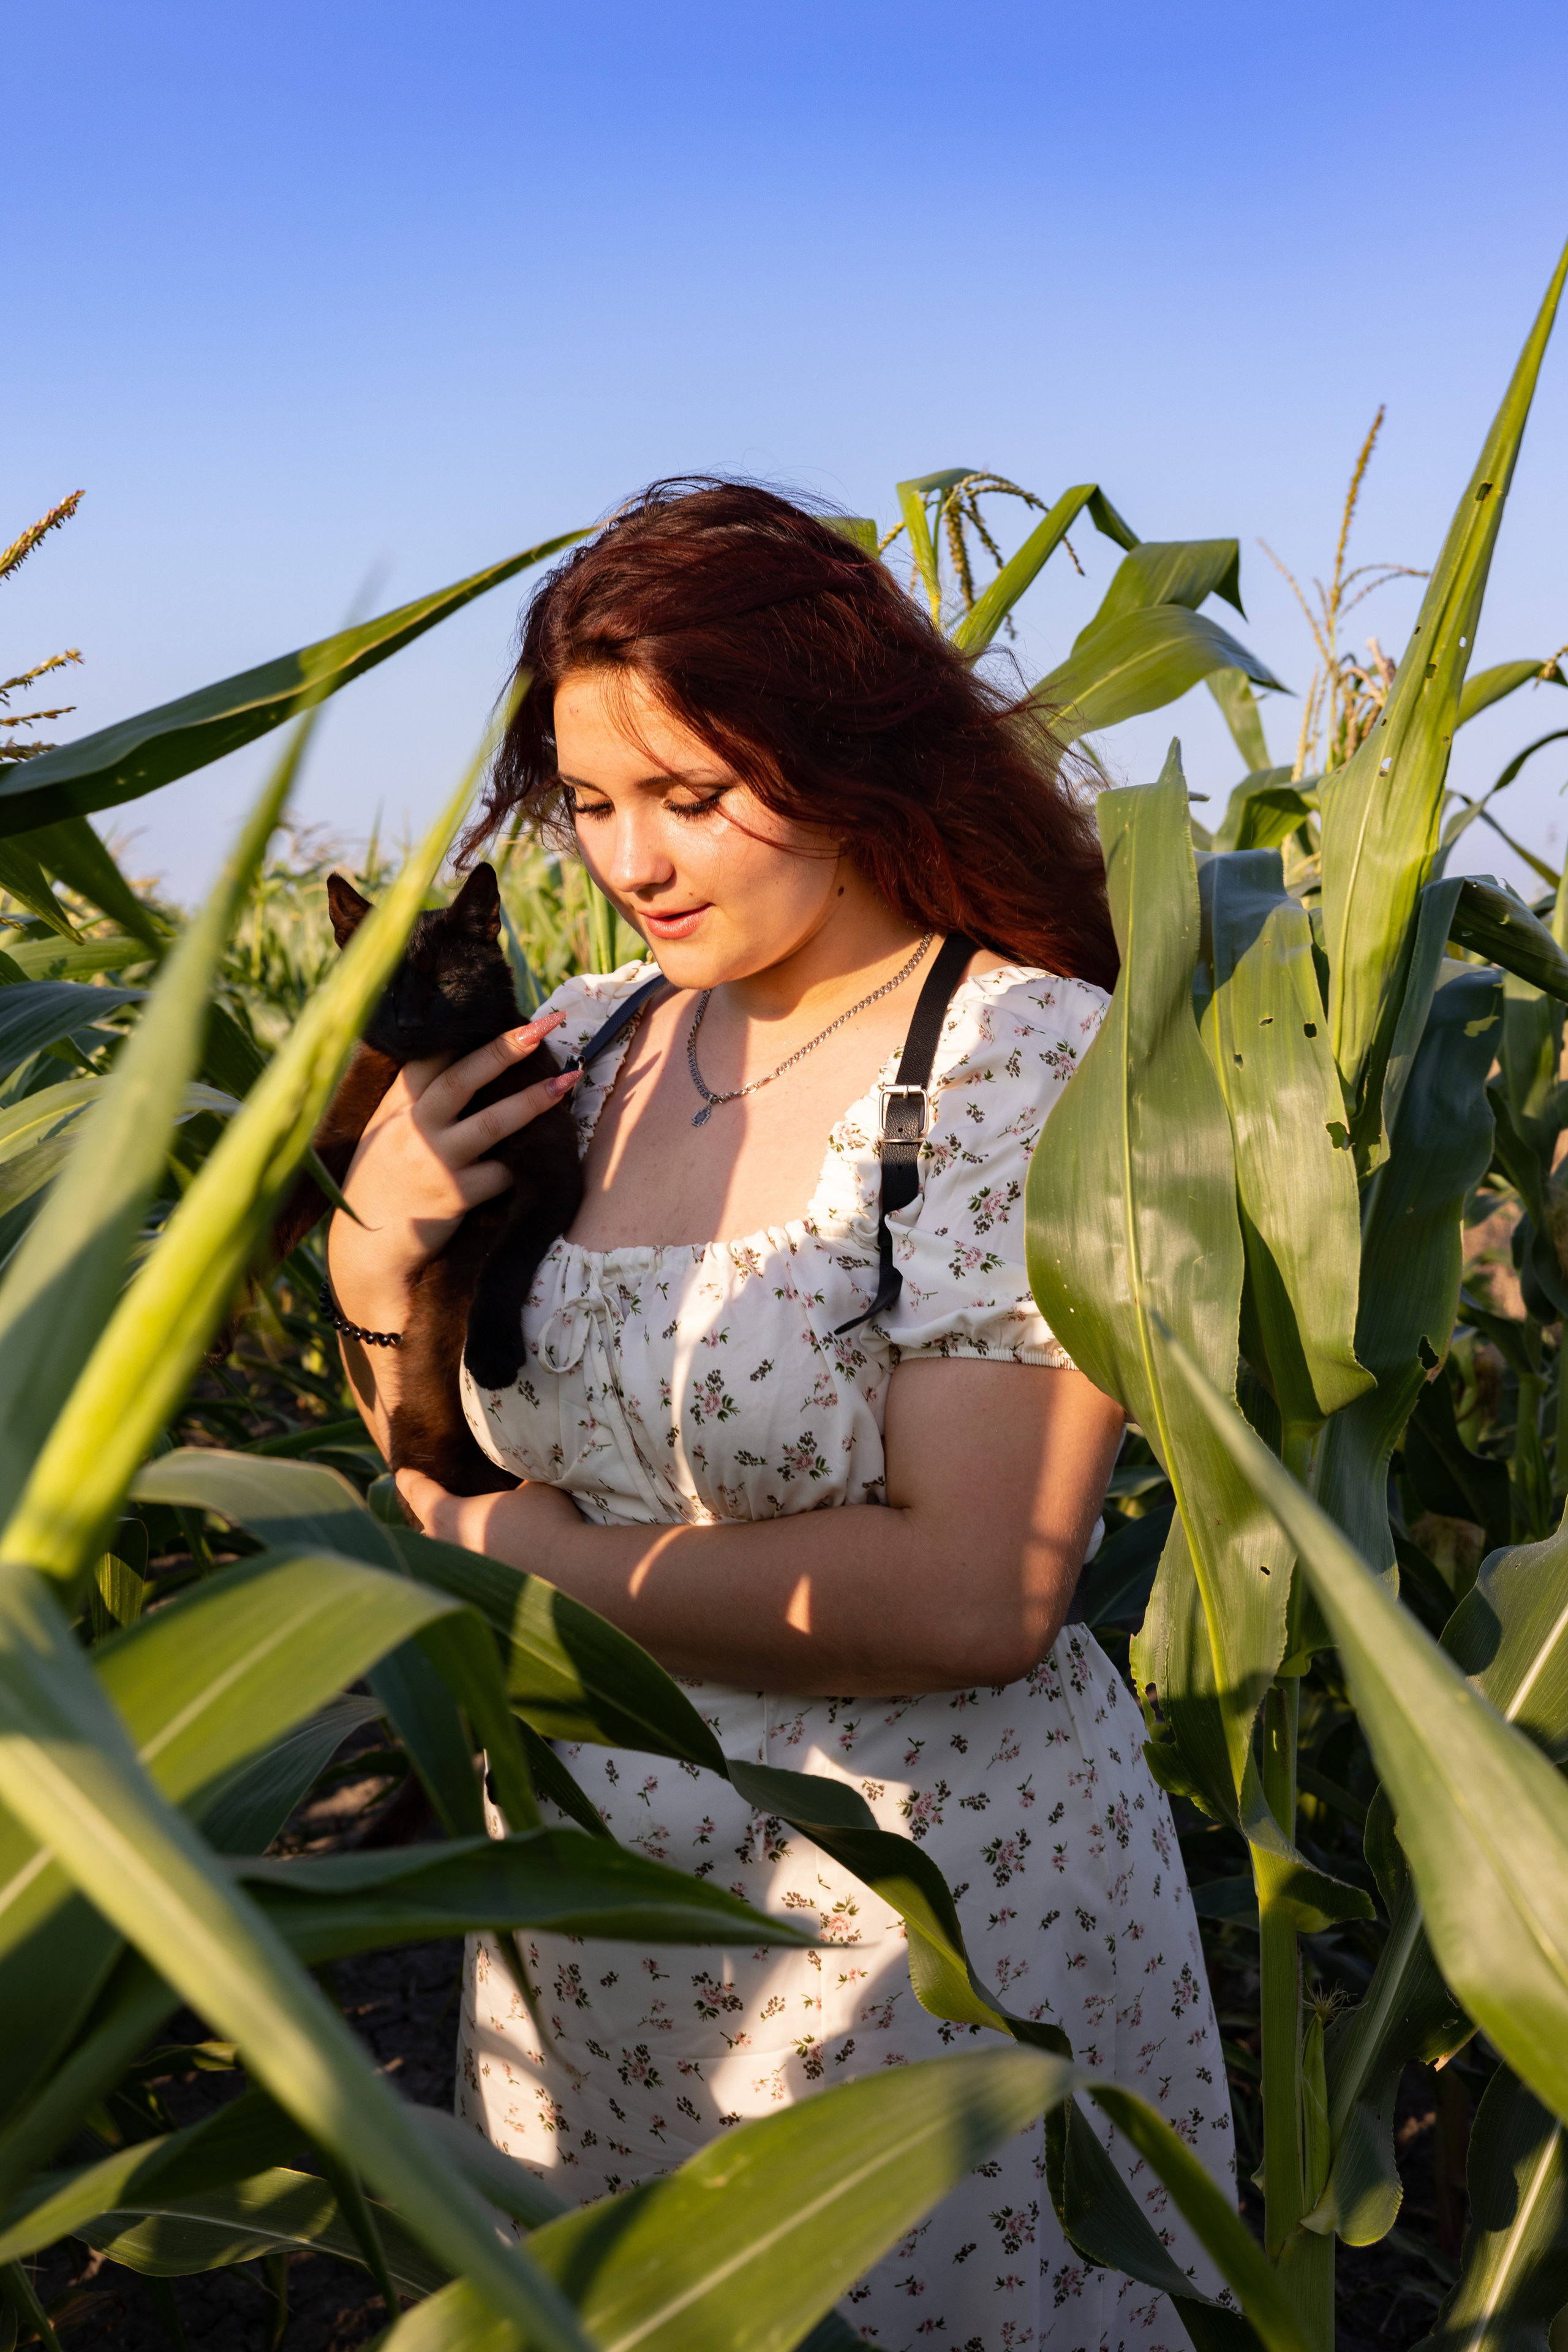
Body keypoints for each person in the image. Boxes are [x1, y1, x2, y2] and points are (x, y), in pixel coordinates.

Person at [328, 481, 1235, 2349]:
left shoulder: (1016, 1062)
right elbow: (430, 1454)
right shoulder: (578, 1043)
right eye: (590, 805)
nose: (633, 862)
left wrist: (530, 1565)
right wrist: (377, 1258)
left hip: (915, 1956)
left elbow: (979, 1595)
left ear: (842, 760)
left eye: (693, 796)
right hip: (587, 1925)